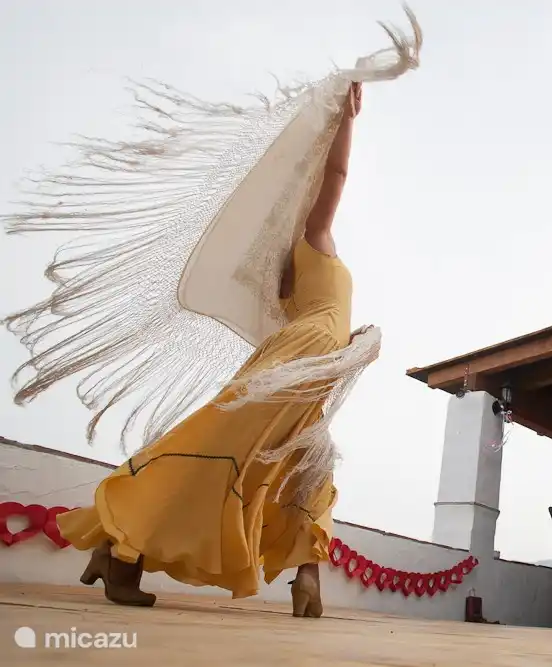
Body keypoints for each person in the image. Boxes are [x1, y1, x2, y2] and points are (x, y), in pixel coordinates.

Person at [56, 82, 368, 618]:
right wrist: (348, 121)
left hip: (317, 363)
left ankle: (306, 575)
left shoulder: (289, 289)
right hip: (309, 355)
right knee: (230, 445)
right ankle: (121, 546)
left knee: (307, 461)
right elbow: (337, 176)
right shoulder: (314, 243)